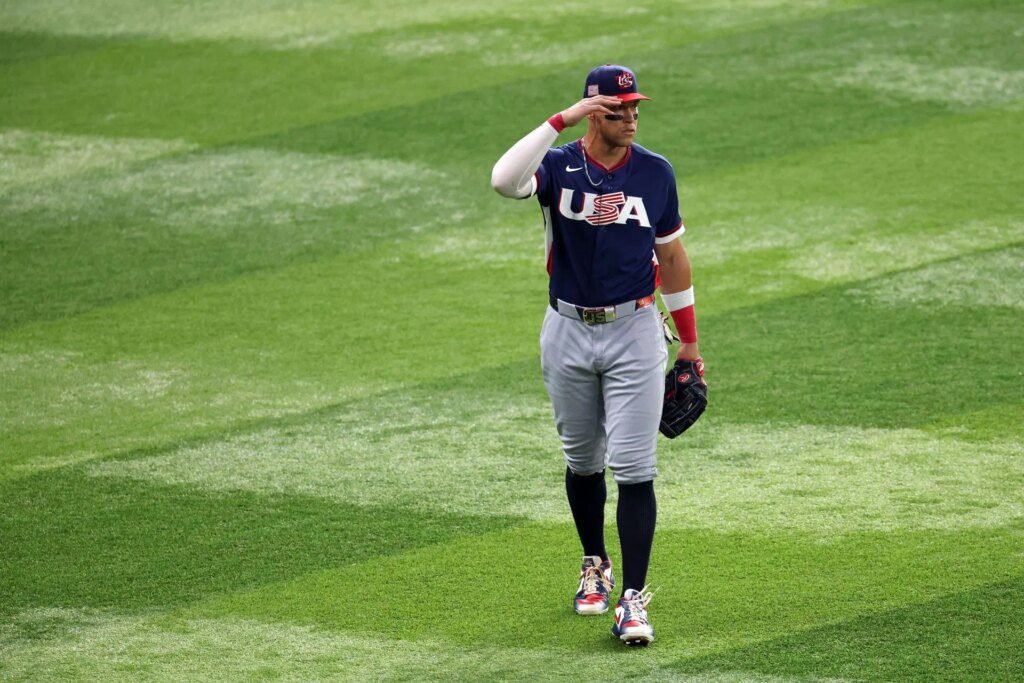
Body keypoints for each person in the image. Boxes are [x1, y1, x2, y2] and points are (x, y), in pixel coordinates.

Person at [490, 64, 703, 646]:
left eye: (634, 107)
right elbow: (503, 180)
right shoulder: (558, 167)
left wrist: (689, 344)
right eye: (617, 109)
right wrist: (562, 120)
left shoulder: (654, 172)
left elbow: (672, 257)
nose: (631, 117)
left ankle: (632, 599)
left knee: (635, 466)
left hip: (635, 331)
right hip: (566, 329)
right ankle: (594, 563)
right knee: (583, 459)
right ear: (592, 112)